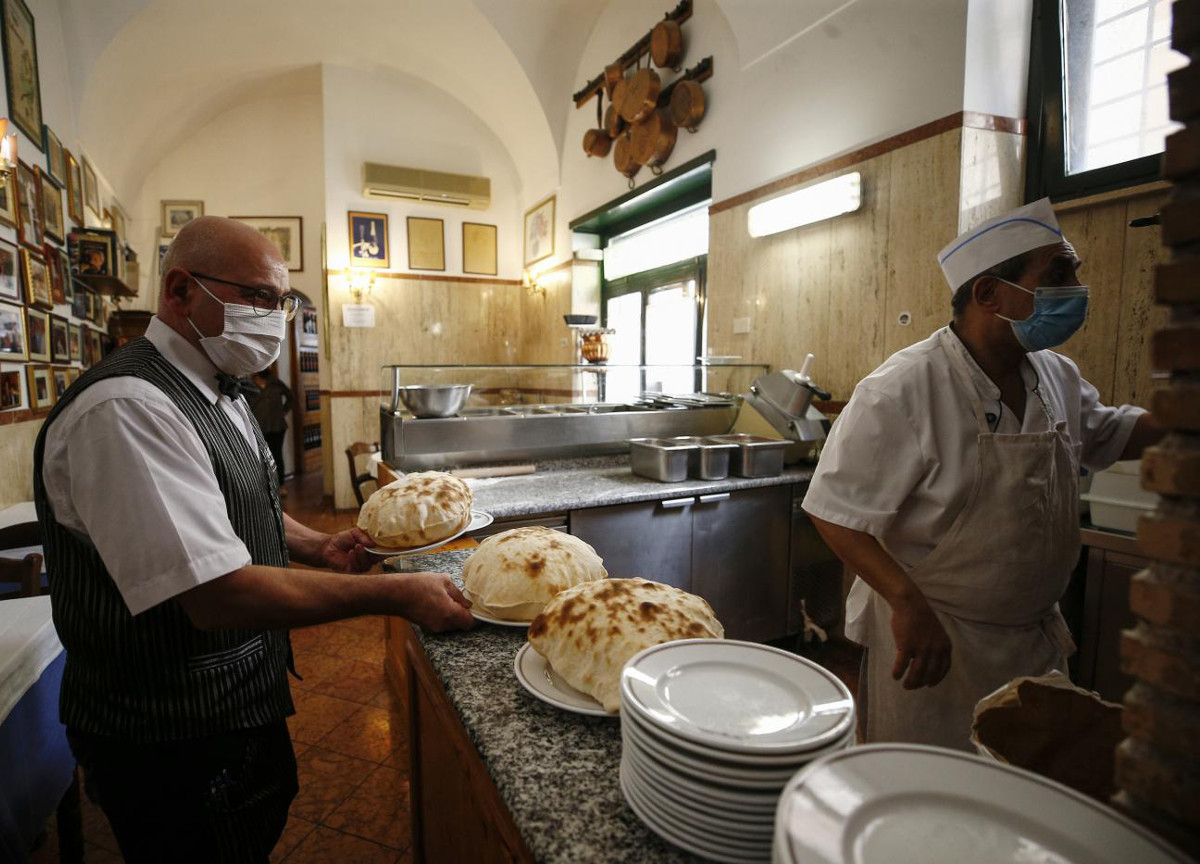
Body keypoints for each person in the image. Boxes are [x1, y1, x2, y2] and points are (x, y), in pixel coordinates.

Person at [33, 216, 474, 863]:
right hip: (169, 733)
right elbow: (216, 594)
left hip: (237, 705)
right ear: (181, 291)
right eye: (260, 298)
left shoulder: (220, 388)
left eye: (284, 301)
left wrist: (314, 545)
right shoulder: (127, 409)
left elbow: (246, 504)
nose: (277, 316)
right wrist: (398, 595)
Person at [802, 198, 1162, 751]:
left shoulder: (1055, 373)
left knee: (1022, 793)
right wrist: (906, 602)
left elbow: (1107, 432)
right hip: (935, 640)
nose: (1075, 291)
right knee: (925, 791)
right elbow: (833, 512)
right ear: (989, 293)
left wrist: (1183, 420)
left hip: (1031, 640)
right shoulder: (905, 386)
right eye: (1057, 275)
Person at [249, 367, 294, 496]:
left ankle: (281, 485)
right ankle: (264, 488)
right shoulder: (247, 384)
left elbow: (290, 397)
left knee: (277, 455)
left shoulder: (276, 382)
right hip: (258, 427)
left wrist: (284, 411)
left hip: (277, 426)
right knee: (260, 457)